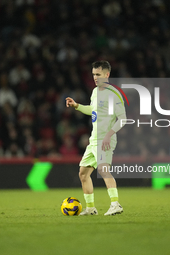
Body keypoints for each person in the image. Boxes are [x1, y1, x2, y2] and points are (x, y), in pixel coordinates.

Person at [65, 61, 126, 215]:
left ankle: (115, 204)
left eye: (98, 74)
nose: (95, 77)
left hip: (105, 139)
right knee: (83, 173)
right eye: (93, 74)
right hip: (94, 140)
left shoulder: (113, 94)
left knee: (103, 170)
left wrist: (109, 135)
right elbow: (93, 110)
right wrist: (77, 105)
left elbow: (123, 119)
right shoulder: (95, 92)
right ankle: (91, 208)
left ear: (107, 74)